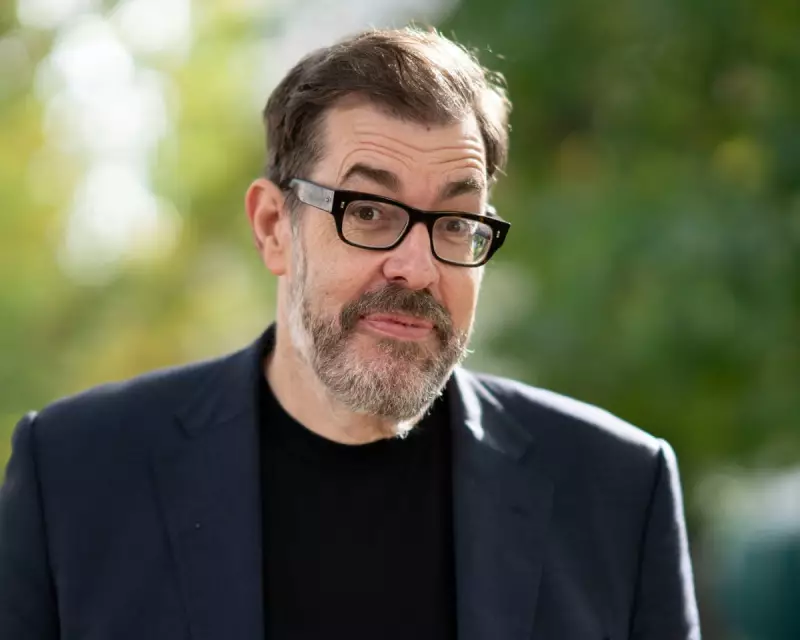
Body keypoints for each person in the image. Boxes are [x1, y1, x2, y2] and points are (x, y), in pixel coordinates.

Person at [0, 27, 700, 640]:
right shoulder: (76, 475)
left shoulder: (616, 490)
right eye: (367, 211)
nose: (417, 268)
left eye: (456, 223)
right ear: (273, 228)